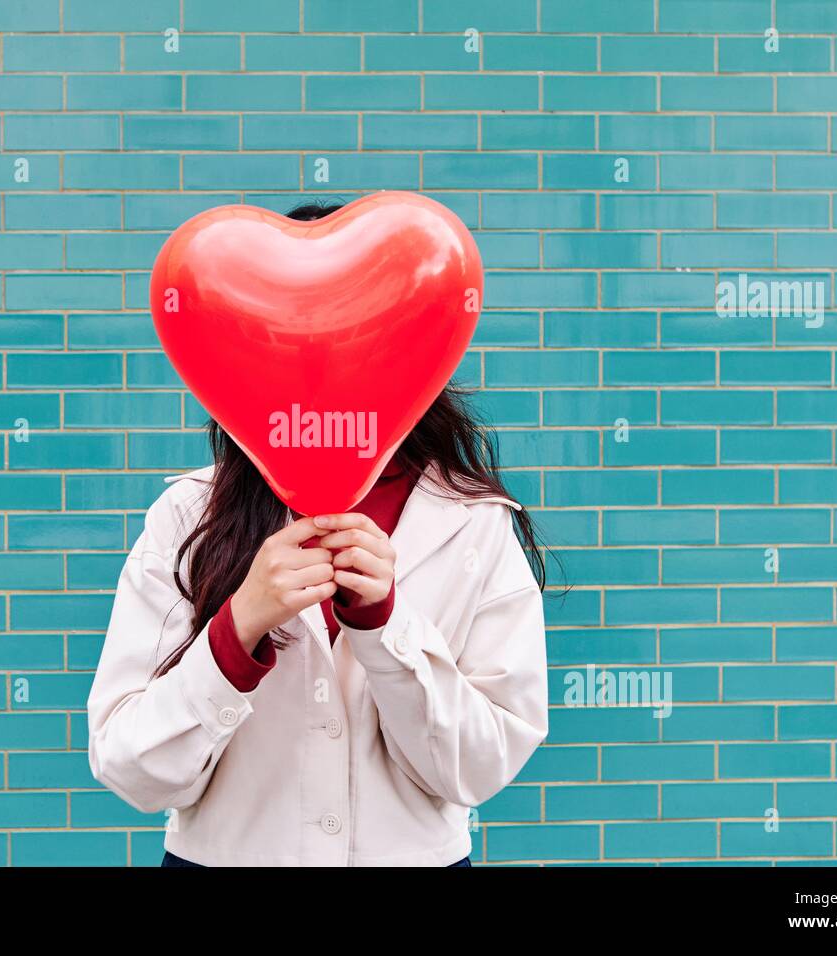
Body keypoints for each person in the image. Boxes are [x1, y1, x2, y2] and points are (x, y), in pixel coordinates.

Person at [86, 200, 550, 867]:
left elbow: (481, 768)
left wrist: (388, 627)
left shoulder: (472, 523)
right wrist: (235, 631)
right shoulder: (190, 514)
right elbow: (132, 768)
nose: (327, 358)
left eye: (357, 331)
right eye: (294, 333)